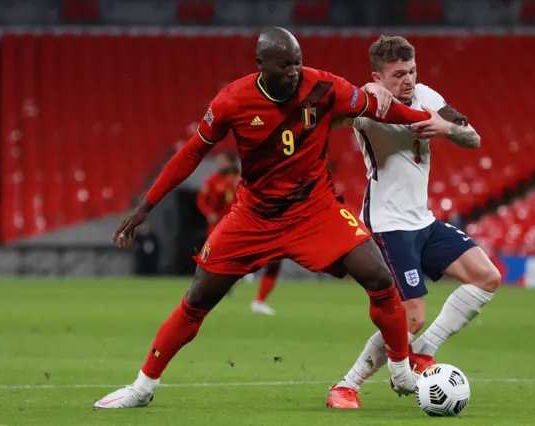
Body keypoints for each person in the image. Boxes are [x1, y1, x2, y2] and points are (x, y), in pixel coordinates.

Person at [94, 27, 436, 409]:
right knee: (197, 298)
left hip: (315, 210)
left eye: (297, 63)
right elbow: (190, 153)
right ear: (261, 66)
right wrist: (146, 206)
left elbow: (382, 109)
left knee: (380, 278)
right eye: (285, 65)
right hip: (254, 217)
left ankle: (402, 370)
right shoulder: (232, 100)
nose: (294, 72)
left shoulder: (323, 86)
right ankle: (142, 387)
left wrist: (431, 120)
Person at [325, 35, 502, 409]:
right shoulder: (367, 105)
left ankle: (422, 353)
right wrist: (368, 89)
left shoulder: (428, 98)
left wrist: (448, 129)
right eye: (398, 74)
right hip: (387, 224)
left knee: (488, 277)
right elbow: (334, 116)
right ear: (379, 75)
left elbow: (474, 138)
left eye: (412, 71)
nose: (408, 80)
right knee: (410, 315)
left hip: (423, 221)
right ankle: (346, 385)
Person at [196, 152, 280, 315]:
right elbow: (201, 200)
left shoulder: (242, 177)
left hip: (242, 225)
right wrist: (208, 213)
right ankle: (216, 287)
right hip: (219, 226)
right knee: (210, 260)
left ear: (231, 162)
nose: (219, 164)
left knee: (272, 259)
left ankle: (253, 294)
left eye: (222, 161)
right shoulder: (212, 180)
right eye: (218, 161)